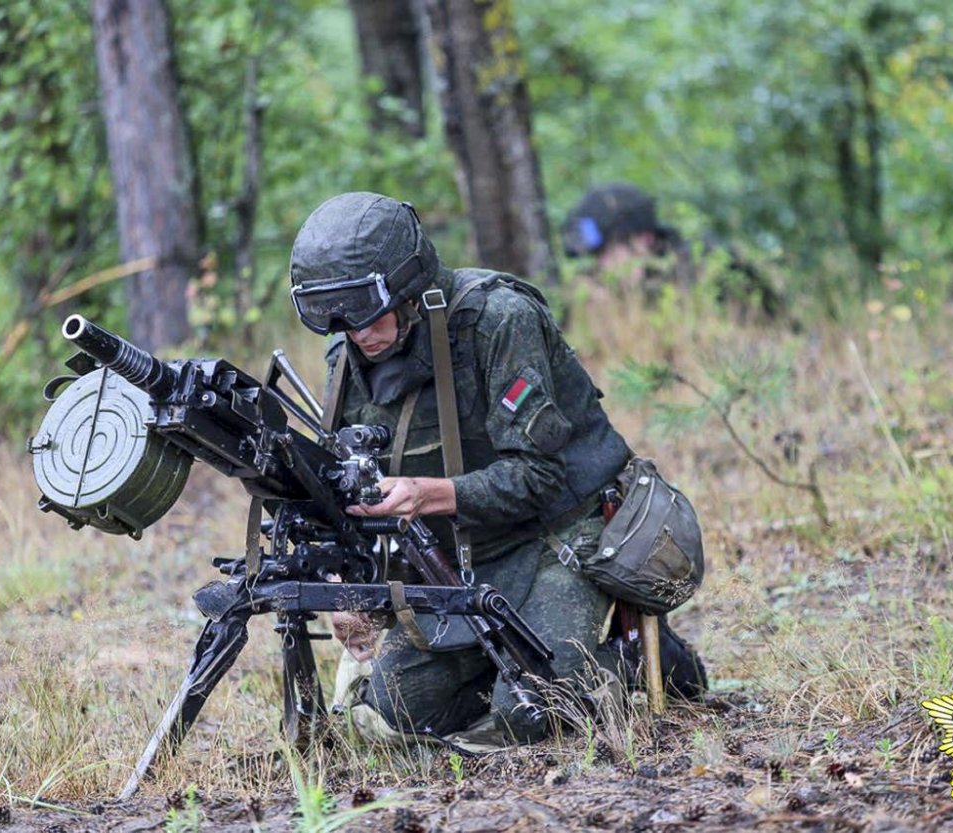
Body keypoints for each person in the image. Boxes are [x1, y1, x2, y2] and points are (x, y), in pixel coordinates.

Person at [287, 192, 705, 744]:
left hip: (560, 532)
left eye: (365, 306)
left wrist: (422, 494)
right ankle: (509, 659)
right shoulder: (346, 366)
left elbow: (540, 478)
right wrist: (347, 594)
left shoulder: (499, 320)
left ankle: (632, 659)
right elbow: (347, 496)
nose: (355, 330)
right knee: (400, 713)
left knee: (532, 711)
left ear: (408, 284)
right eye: (331, 313)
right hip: (460, 564)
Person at [562, 182, 787, 320]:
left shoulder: (704, 269)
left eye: (606, 253)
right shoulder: (626, 288)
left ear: (644, 239)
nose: (602, 266)